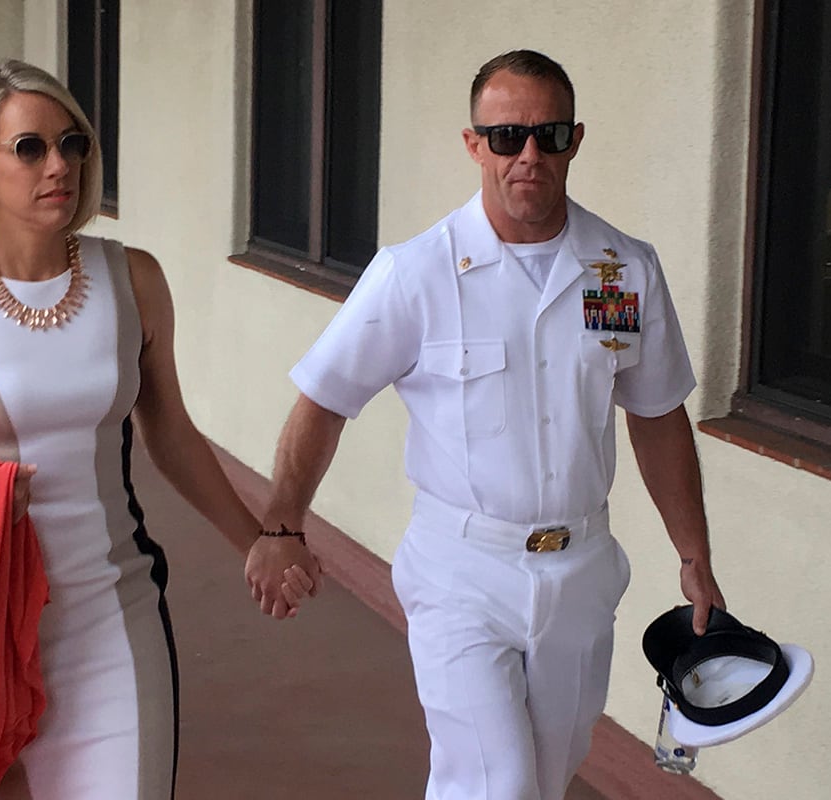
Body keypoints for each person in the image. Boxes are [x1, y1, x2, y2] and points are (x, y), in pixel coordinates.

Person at [250, 50, 726, 800]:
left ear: (574, 141)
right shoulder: (416, 274)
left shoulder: (622, 270)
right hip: (460, 571)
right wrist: (282, 528)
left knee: (544, 775)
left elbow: (658, 415)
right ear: (474, 145)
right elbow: (325, 398)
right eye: (506, 137)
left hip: (581, 568)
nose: (528, 155)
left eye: (549, 134)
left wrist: (693, 554)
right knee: (493, 782)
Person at [0, 59, 318, 797]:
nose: (58, 164)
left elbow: (172, 435)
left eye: (73, 144)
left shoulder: (135, 279)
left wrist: (257, 538)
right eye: (29, 148)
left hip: (111, 612)